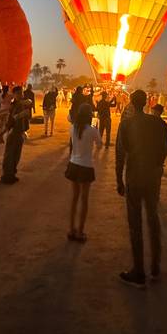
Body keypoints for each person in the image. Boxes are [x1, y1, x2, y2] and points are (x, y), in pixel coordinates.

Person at [116, 89, 167, 288]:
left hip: (134, 177)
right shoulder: (160, 123)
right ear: (147, 102)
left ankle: (139, 271)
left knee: (135, 223)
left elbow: (121, 154)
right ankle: (155, 265)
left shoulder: (126, 124)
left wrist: (118, 180)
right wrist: (156, 168)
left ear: (131, 103)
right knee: (153, 217)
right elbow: (165, 150)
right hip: (153, 177)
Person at [65, 103, 99, 241]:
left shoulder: (72, 128)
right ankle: (80, 231)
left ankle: (71, 229)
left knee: (74, 198)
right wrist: (96, 130)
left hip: (74, 164)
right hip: (86, 166)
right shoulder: (92, 130)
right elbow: (100, 145)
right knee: (84, 200)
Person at [0, 86, 32, 184]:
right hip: (14, 132)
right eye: (18, 93)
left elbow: (30, 102)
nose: (21, 95)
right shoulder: (14, 105)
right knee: (10, 156)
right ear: (14, 95)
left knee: (16, 156)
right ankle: (6, 176)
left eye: (21, 93)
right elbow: (10, 120)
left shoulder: (22, 104)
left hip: (20, 132)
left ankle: (12, 174)